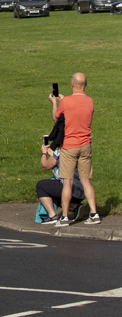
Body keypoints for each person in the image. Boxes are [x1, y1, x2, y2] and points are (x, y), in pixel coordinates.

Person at [49, 73, 100, 226]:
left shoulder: (67, 102)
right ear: (85, 85)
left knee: (67, 182)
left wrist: (54, 103)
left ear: (72, 85)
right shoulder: (90, 101)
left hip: (69, 145)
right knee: (86, 180)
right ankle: (94, 213)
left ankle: (64, 217)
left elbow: (56, 120)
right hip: (85, 144)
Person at [37, 144, 85, 225]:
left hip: (70, 189)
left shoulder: (61, 152)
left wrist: (44, 153)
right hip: (82, 190)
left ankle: (52, 216)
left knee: (41, 186)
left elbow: (45, 166)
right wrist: (52, 154)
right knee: (55, 189)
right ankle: (75, 206)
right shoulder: (77, 150)